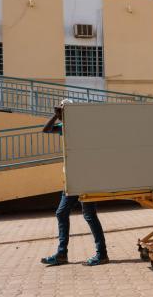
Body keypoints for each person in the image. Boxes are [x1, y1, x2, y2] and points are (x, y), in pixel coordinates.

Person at [40, 99, 109, 266]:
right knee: (69, 214)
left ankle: (101, 254)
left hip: (84, 178)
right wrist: (55, 116)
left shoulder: (83, 128)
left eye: (65, 111)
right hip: (72, 179)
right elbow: (45, 130)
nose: (63, 115)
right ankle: (64, 254)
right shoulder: (65, 127)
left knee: (85, 215)